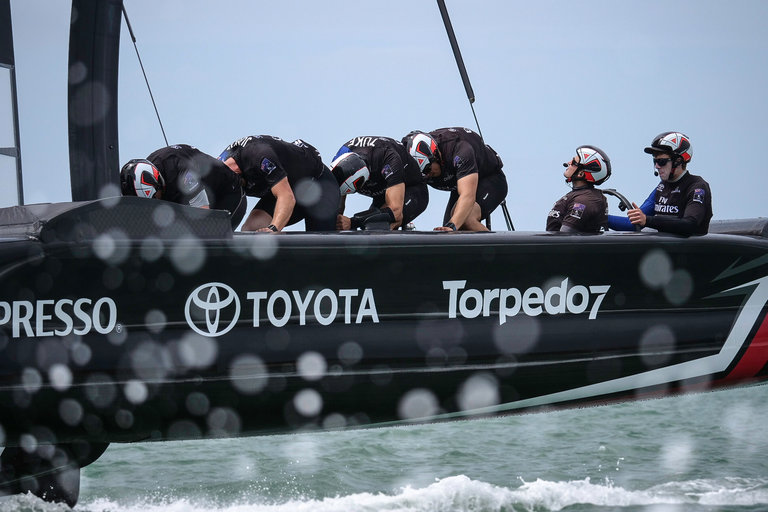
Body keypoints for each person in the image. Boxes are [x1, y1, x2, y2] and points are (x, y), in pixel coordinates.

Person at [219, 135, 339, 232]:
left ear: (238, 172)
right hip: (287, 186)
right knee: (251, 229)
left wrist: (274, 228)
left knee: (319, 251)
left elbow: (287, 196)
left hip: (317, 185)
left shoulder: (261, 158)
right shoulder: (218, 170)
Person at [402, 127, 507, 232]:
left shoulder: (460, 150)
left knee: (465, 220)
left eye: (428, 169)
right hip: (459, 184)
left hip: (489, 179)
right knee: (448, 235)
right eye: (423, 173)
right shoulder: (413, 165)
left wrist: (452, 226)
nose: (428, 175)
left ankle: (496, 249)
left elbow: (467, 195)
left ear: (436, 155)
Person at [120, 143, 246, 229]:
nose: (156, 202)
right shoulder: (150, 166)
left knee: (206, 234)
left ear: (157, 181)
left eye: (154, 198)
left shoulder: (183, 174)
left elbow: (203, 214)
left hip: (228, 194)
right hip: (188, 197)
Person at [608, 132, 712, 235]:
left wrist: (648, 220)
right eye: (655, 161)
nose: (657, 166)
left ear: (678, 161)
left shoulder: (697, 187)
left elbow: (690, 224)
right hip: (666, 250)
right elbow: (633, 223)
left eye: (662, 161)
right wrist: (600, 218)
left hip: (692, 250)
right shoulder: (662, 187)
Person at [331, 136, 428, 230]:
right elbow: (337, 209)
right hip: (382, 190)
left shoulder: (389, 159)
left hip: (412, 189)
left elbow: (396, 212)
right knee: (367, 224)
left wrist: (353, 222)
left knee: (382, 224)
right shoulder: (342, 156)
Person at [546, 145, 610, 233]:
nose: (568, 163)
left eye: (573, 163)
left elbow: (565, 238)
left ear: (581, 173)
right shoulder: (583, 195)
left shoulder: (584, 201)